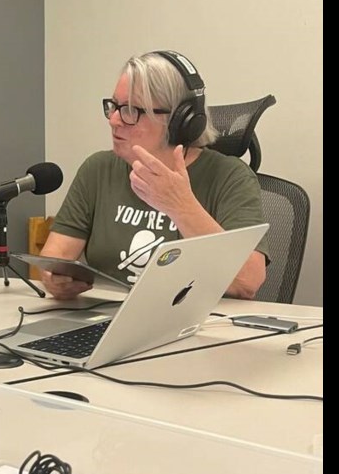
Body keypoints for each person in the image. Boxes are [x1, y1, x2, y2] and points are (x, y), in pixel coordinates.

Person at [39, 50, 268, 301]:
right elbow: (54, 259)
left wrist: (180, 205)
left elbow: (248, 282)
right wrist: (54, 280)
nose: (114, 120)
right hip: (102, 321)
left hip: (193, 328)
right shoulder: (98, 169)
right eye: (113, 106)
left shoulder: (230, 177)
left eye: (130, 110)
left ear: (180, 120)